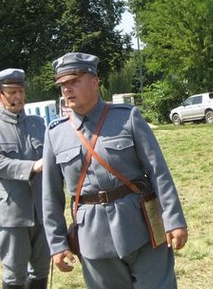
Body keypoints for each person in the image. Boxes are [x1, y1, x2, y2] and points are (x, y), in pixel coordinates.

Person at [42, 52, 188, 288]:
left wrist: (174, 220)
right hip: (93, 238)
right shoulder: (55, 133)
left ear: (94, 81)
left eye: (74, 81)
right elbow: (50, 195)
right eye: (63, 85)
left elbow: (158, 171)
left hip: (142, 227)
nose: (67, 90)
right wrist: (57, 243)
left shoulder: (127, 117)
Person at [0, 68, 50, 289]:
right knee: (14, 274)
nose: (18, 97)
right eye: (12, 92)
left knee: (41, 270)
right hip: (12, 212)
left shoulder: (38, 123)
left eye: (21, 91)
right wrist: (33, 166)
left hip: (42, 210)